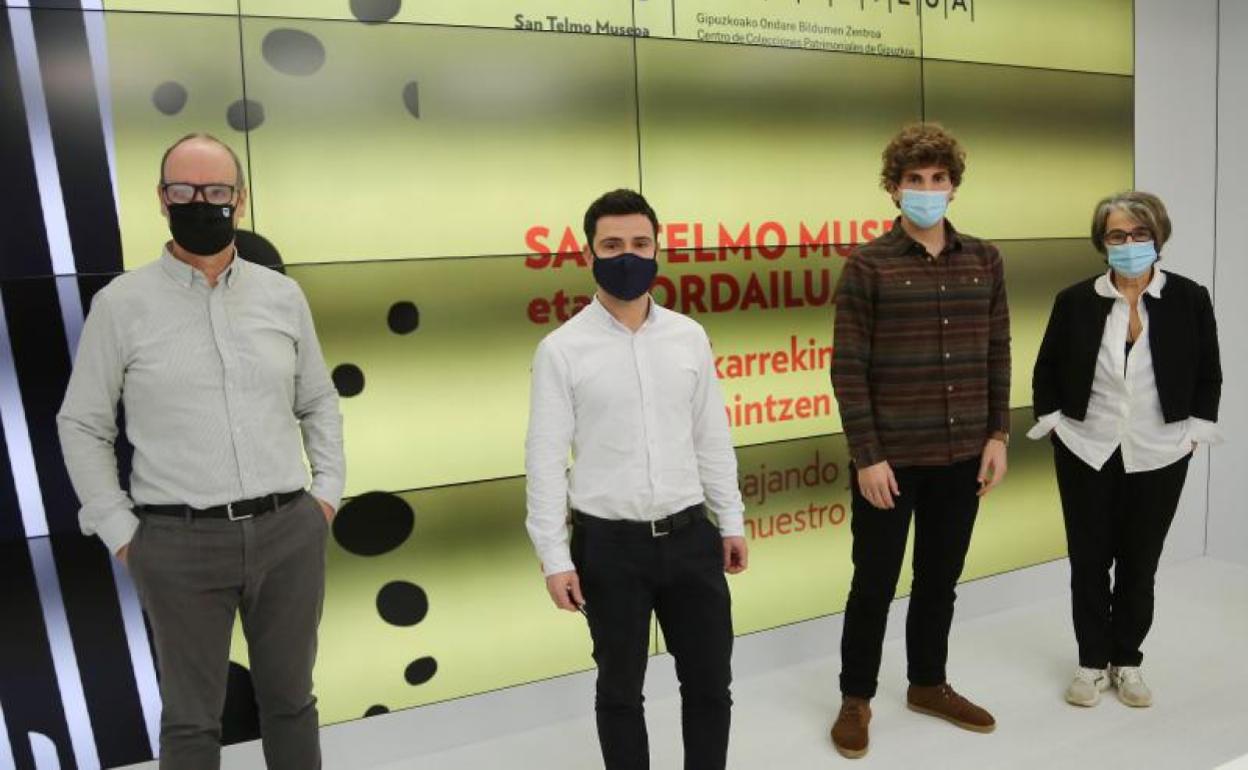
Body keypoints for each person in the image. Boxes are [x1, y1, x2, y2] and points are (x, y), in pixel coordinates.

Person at [57, 133, 344, 769]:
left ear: (239, 199)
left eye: (215, 191)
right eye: (184, 191)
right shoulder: (121, 305)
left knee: (292, 704)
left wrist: (324, 496)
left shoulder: (281, 296)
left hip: (288, 534)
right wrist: (122, 533)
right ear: (162, 199)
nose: (200, 203)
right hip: (177, 544)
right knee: (190, 722)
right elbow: (81, 424)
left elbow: (318, 400)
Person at [525, 189, 748, 770]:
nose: (628, 255)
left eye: (640, 243)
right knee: (620, 692)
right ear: (589, 253)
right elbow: (544, 460)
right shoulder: (561, 350)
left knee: (710, 685)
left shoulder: (688, 337)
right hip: (609, 549)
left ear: (657, 249)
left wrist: (731, 522)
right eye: (612, 245)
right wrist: (554, 558)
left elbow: (711, 437)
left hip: (691, 538)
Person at [829, 123, 1010, 759]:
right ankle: (856, 697)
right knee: (873, 583)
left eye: (938, 179)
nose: (927, 189)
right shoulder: (867, 265)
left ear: (954, 187)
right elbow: (848, 368)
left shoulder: (985, 260)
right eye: (915, 179)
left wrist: (997, 433)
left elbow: (997, 350)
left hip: (962, 456)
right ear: (894, 188)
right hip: (891, 461)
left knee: (940, 579)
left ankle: (928, 684)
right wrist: (868, 456)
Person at [1028, 191, 1221, 708]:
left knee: (1140, 562)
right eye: (1117, 234)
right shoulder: (1074, 300)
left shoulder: (1189, 297)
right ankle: (1092, 663)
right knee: (1089, 560)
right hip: (1085, 447)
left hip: (1160, 450)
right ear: (1103, 242)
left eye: (1140, 233)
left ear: (1158, 237)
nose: (1129, 243)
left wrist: (1195, 432)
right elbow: (1046, 369)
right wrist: (1053, 423)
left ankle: (1127, 661)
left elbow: (1209, 372)